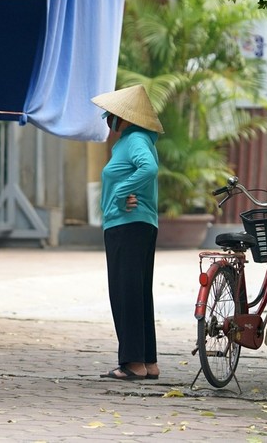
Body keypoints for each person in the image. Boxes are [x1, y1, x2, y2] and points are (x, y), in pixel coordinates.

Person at [91, 84, 163, 381]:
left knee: (125, 293)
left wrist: (122, 191)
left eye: (111, 115)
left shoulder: (134, 139)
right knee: (138, 292)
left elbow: (147, 170)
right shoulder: (138, 140)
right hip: (137, 225)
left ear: (126, 118)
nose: (108, 119)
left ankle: (133, 363)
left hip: (127, 225)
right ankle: (147, 361)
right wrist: (127, 191)